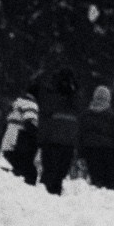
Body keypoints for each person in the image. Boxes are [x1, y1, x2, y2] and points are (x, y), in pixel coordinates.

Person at [36, 68, 79, 196]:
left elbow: (44, 119)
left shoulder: (52, 96)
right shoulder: (71, 98)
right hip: (63, 141)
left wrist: (40, 141)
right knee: (56, 174)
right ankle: (48, 198)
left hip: (55, 141)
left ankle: (47, 198)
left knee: (53, 173)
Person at [78, 84, 114, 190]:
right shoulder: (112, 116)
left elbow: (79, 137)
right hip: (108, 152)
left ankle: (98, 203)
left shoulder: (85, 116)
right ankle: (112, 203)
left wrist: (80, 155)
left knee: (96, 182)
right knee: (111, 182)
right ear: (108, 99)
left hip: (90, 151)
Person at [2, 82, 40, 186]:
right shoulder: (30, 104)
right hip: (19, 143)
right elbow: (30, 124)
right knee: (29, 173)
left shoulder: (17, 103)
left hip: (8, 142)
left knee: (17, 170)